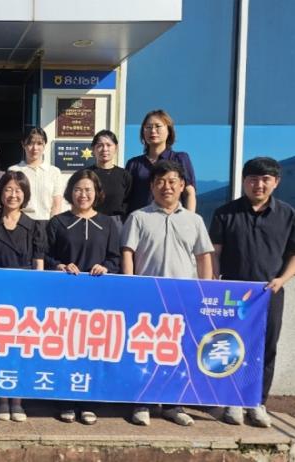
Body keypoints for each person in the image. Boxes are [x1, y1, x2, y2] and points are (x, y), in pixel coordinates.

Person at [121, 160, 213, 427]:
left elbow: (204, 257)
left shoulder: (194, 220)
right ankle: (141, 402)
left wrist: (205, 292)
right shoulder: (138, 217)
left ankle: (173, 404)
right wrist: (130, 286)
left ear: (182, 185)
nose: (166, 187)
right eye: (160, 182)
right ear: (152, 186)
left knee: (178, 352)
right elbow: (128, 253)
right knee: (144, 351)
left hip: (184, 298)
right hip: (147, 295)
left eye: (172, 181)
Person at [209, 157, 295, 428]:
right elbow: (215, 253)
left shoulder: (288, 215)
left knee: (266, 348)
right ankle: (232, 400)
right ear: (244, 181)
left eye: (265, 179)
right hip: (232, 294)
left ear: (276, 182)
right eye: (253, 179)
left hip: (269, 293)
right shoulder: (225, 213)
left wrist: (282, 279)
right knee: (232, 345)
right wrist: (215, 281)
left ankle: (257, 402)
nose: (259, 184)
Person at [45, 169, 119, 425]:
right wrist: (60, 266)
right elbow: (47, 255)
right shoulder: (58, 222)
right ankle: (65, 400)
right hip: (65, 297)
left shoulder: (108, 224)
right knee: (66, 348)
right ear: (70, 192)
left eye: (88, 189)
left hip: (97, 299)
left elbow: (115, 258)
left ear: (97, 193)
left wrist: (105, 267)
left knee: (91, 350)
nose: (83, 194)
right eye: (78, 189)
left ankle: (88, 402)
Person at [0, 171, 44, 422]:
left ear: (25, 194)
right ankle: (2, 400)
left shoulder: (34, 226)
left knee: (21, 349)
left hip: (25, 295)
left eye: (18, 190)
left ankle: (18, 400)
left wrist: (35, 295)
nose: (13, 195)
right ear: (0, 193)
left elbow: (39, 264)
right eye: (8, 189)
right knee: (0, 348)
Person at [125, 109, 197, 214]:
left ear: (169, 131)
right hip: (141, 220)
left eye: (158, 126)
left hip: (171, 219)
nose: (153, 131)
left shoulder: (179, 158)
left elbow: (189, 193)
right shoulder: (134, 164)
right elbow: (127, 198)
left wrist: (189, 220)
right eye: (148, 127)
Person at [8, 127, 64, 222]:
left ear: (44, 145)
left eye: (39, 144)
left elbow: (56, 205)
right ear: (23, 144)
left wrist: (52, 226)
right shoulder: (14, 170)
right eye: (30, 143)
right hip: (20, 223)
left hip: (46, 223)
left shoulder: (54, 172)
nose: (35, 148)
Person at [87, 130, 132, 228]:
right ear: (93, 149)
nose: (104, 149)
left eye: (108, 145)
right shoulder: (86, 174)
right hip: (90, 221)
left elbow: (129, 202)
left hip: (118, 223)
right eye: (100, 145)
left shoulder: (124, 175)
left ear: (115, 148)